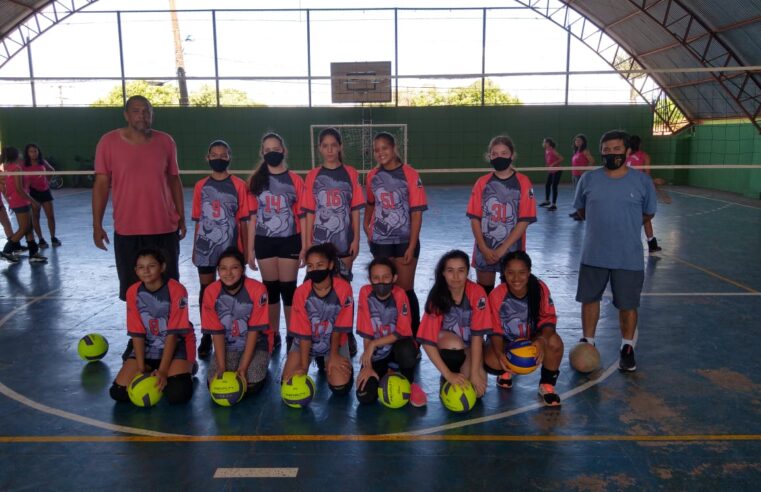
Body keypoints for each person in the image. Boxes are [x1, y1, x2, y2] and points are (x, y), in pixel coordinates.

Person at [573, 130, 657, 372]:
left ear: (627, 152)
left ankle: (627, 347)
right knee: (589, 299)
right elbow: (581, 210)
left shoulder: (642, 182)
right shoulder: (589, 180)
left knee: (628, 305)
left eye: (617, 149)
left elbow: (649, 212)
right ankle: (588, 341)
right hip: (593, 253)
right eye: (607, 150)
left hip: (627, 255)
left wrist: (626, 225)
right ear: (601, 152)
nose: (612, 154)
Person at [93, 95, 186, 301]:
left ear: (152, 115)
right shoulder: (108, 142)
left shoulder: (166, 141)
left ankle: (171, 332)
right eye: (136, 111)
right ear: (126, 115)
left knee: (169, 289)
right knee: (132, 291)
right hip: (128, 230)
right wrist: (97, 225)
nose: (141, 115)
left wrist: (181, 216)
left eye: (146, 111)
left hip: (164, 228)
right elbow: (100, 185)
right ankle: (138, 333)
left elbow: (174, 180)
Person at [109, 248, 196, 404]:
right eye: (141, 267)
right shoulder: (133, 292)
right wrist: (141, 369)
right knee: (119, 393)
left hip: (177, 343)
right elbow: (137, 332)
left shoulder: (177, 290)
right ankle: (146, 364)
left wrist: (162, 371)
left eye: (151, 266)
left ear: (162, 267)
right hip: (149, 343)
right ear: (136, 270)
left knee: (177, 395)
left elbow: (173, 333)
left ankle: (187, 367)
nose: (146, 271)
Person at [247, 132, 306, 354]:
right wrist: (251, 248)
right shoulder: (255, 181)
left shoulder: (295, 180)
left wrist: (304, 247)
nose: (272, 152)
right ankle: (273, 334)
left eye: (276, 148)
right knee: (271, 290)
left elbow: (302, 216)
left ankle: (293, 334)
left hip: (289, 240)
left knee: (288, 290)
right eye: (268, 150)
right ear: (263, 153)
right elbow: (252, 216)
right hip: (264, 241)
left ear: (284, 151)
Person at [364, 132, 427, 338]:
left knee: (405, 290)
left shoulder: (409, 174)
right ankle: (388, 333)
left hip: (403, 241)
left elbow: (416, 212)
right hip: (380, 241)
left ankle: (412, 336)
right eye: (376, 150)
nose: (380, 153)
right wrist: (366, 224)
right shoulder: (372, 176)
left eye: (384, 148)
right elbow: (371, 203)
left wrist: (411, 245)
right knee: (385, 290)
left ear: (394, 148)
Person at [192, 139, 250, 358]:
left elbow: (243, 220)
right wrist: (195, 247)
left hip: (230, 246)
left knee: (232, 290)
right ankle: (207, 333)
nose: (218, 158)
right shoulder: (201, 186)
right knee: (206, 291)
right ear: (208, 158)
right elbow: (198, 219)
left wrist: (244, 249)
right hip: (205, 247)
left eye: (223, 155)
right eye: (214, 155)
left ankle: (233, 332)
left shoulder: (238, 185)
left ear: (229, 157)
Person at [485, 251, 563, 406]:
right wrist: (501, 354)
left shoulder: (539, 289)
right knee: (492, 361)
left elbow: (548, 320)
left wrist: (540, 340)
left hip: (532, 340)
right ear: (504, 274)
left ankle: (547, 385)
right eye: (510, 273)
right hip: (507, 341)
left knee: (554, 342)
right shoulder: (497, 295)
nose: (516, 278)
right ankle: (505, 372)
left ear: (529, 272)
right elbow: (495, 330)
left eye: (521, 273)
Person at [467, 135, 536, 295]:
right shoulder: (482, 183)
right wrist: (483, 248)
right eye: (495, 154)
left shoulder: (523, 183)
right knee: (484, 293)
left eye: (504, 153)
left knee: (512, 292)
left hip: (512, 250)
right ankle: (486, 321)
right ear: (489, 157)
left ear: (512, 155)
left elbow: (524, 221)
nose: (499, 157)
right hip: (485, 249)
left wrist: (503, 249)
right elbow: (474, 218)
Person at [282, 243, 354, 395]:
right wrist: (303, 364)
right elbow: (303, 332)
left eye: (320, 265)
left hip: (334, 341)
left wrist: (333, 355)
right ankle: (317, 360)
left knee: (340, 388)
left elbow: (339, 327)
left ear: (331, 265)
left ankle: (326, 359)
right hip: (305, 343)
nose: (314, 270)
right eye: (310, 266)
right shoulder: (301, 292)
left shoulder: (344, 288)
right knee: (288, 384)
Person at [417, 250, 491, 397]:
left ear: (467, 272)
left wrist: (475, 373)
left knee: (476, 393)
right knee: (454, 345)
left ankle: (464, 371)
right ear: (443, 273)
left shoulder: (477, 293)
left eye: (461, 271)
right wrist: (449, 375)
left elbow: (477, 336)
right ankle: (447, 375)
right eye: (450, 271)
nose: (456, 277)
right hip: (450, 345)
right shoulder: (437, 297)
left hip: (471, 347)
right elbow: (427, 342)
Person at [355, 257, 427, 407]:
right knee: (365, 396)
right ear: (370, 279)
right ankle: (388, 370)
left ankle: (408, 382)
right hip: (377, 352)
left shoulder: (400, 294)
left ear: (394, 278)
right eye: (376, 278)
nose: (381, 282)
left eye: (386, 277)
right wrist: (367, 366)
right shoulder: (365, 293)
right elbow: (367, 330)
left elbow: (402, 331)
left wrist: (374, 344)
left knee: (407, 349)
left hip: (396, 346)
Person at [202, 248, 271, 396]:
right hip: (228, 346)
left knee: (250, 384)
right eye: (223, 268)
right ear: (218, 271)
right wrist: (221, 366)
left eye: (234, 267)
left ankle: (260, 362)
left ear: (243, 269)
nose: (228, 273)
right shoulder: (210, 292)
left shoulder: (257, 289)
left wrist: (243, 367)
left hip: (256, 344)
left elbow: (254, 331)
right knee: (216, 384)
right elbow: (217, 332)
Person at [302, 127, 364, 281]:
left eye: (333, 145)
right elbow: (310, 211)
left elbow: (355, 210)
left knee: (342, 286)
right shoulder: (312, 175)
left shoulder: (351, 173)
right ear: (320, 149)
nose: (330, 150)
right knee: (318, 287)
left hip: (344, 242)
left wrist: (356, 239)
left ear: (340, 147)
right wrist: (308, 242)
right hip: (319, 242)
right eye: (325, 146)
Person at [0, 147, 47, 263]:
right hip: (20, 200)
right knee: (24, 228)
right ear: (16, 155)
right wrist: (33, 201)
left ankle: (33, 253)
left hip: (19, 200)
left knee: (29, 228)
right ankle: (6, 251)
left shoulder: (8, 167)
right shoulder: (15, 169)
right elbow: (19, 189)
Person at [626, 135, 662, 253]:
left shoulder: (624, 156)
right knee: (646, 216)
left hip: (624, 189)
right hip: (639, 191)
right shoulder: (644, 156)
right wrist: (654, 182)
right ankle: (651, 244)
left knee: (629, 216)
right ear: (640, 144)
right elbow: (646, 175)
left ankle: (650, 243)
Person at [24, 144, 60, 248]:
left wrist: (47, 181)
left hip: (45, 191)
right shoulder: (24, 164)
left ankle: (53, 237)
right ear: (27, 153)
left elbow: (52, 170)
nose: (34, 153)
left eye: (35, 151)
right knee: (36, 217)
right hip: (32, 192)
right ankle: (41, 239)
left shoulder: (42, 161)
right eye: (31, 151)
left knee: (51, 216)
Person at [569, 134, 594, 221]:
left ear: (583, 142)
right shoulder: (576, 151)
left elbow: (592, 161)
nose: (577, 142)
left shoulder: (585, 151)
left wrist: (584, 170)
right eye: (576, 140)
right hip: (574, 175)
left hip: (581, 176)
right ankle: (578, 211)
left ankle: (583, 213)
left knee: (581, 195)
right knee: (577, 195)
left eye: (579, 140)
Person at [538, 138, 564, 211]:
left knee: (554, 186)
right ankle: (547, 201)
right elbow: (550, 160)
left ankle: (554, 204)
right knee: (547, 185)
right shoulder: (547, 151)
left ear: (548, 143)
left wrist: (553, 164)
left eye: (544, 142)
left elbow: (561, 158)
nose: (543, 143)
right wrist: (548, 165)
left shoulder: (552, 151)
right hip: (551, 171)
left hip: (557, 170)